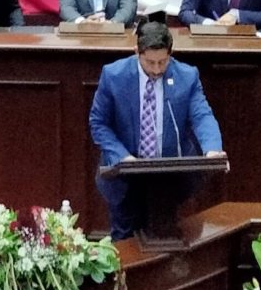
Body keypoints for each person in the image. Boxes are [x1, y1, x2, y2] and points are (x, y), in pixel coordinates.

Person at [89, 22, 226, 240]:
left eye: (162, 62)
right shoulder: (114, 75)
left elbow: (202, 116)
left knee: (167, 239)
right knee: (124, 242)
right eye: (150, 62)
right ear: (137, 52)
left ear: (171, 54)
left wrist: (213, 149)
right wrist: (122, 157)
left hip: (169, 178)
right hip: (125, 177)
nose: (156, 70)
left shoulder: (187, 76)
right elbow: (99, 123)